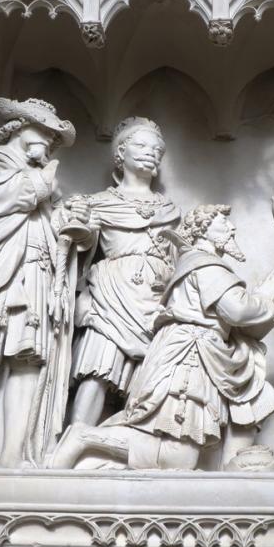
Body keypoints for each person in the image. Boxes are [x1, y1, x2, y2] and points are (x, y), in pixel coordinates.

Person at [47, 205, 274, 471]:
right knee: (177, 456)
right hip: (190, 357)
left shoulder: (195, 263)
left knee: (180, 458)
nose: (232, 228)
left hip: (195, 353)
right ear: (203, 232)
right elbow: (237, 310)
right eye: (223, 223)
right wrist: (264, 299)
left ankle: (88, 456)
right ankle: (83, 437)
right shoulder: (206, 265)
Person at [0, 97, 86, 468]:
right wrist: (41, 182)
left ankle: (12, 454)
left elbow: (53, 224)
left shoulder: (46, 181)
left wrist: (72, 218)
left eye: (54, 137)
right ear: (19, 127)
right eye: (43, 131)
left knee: (28, 358)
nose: (50, 141)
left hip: (37, 273)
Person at [67, 117, 181, 427]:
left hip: (156, 298)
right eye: (141, 145)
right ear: (120, 152)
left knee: (151, 376)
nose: (150, 152)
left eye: (157, 149)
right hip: (111, 294)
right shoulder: (98, 203)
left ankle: (130, 441)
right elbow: (79, 249)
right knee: (98, 366)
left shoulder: (169, 209)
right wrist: (79, 224)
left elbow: (177, 257)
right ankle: (75, 436)